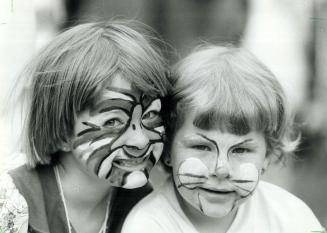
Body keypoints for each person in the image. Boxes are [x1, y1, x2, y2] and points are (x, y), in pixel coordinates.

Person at [122, 45, 324, 233]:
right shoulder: (148, 224)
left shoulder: (292, 216)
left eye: (241, 150)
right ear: (166, 149)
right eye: (201, 146)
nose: (221, 170)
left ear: (267, 155)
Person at [0, 20, 171, 233]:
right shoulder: (10, 204)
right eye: (113, 122)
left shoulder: (147, 209)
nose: (141, 140)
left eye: (151, 115)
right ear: (62, 131)